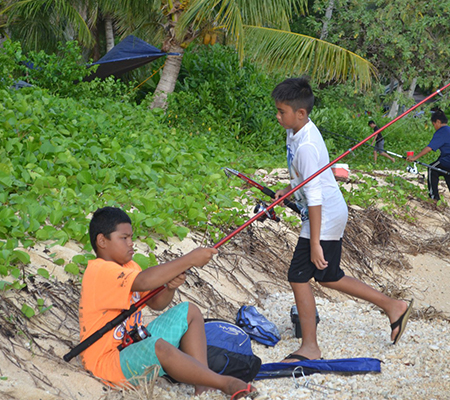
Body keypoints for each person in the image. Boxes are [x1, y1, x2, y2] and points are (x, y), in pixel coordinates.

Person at [271, 77, 413, 362]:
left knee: (298, 275)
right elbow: (308, 178)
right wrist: (286, 189)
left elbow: (315, 197)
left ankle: (310, 347)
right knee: (327, 275)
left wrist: (314, 242)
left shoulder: (307, 144)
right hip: (325, 210)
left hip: (323, 213)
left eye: (281, 111)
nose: (277, 116)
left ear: (301, 113)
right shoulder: (295, 131)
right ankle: (393, 306)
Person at [78, 206, 257, 399]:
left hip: (131, 345)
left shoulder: (130, 266)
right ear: (102, 241)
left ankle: (203, 384)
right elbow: (145, 281)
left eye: (131, 237)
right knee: (158, 346)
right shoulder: (99, 270)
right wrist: (189, 259)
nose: (131, 243)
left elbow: (156, 303)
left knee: (190, 311)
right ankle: (225, 383)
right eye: (124, 238)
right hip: (108, 364)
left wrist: (169, 288)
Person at [406, 109, 450, 201]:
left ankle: (434, 197)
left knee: (432, 168)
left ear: (438, 121)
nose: (434, 127)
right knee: (446, 173)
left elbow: (429, 147)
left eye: (434, 125)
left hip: (447, 159)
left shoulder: (442, 131)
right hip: (446, 160)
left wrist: (415, 157)